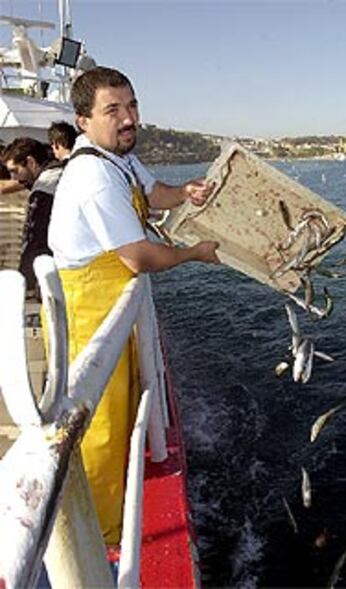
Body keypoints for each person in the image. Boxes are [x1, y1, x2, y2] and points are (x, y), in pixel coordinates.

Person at [48, 66, 220, 545]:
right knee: (98, 424)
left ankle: (111, 514)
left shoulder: (117, 160)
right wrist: (194, 253)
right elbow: (140, 256)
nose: (128, 119)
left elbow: (153, 193)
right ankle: (101, 541)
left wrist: (185, 191)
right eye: (112, 110)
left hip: (112, 305)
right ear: (83, 120)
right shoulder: (93, 176)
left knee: (121, 413)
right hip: (88, 313)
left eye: (132, 106)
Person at [3, 138, 64, 293]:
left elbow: (36, 239)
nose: (14, 179)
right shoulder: (61, 172)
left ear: (30, 162)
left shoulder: (44, 189)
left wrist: (26, 280)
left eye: (15, 171)